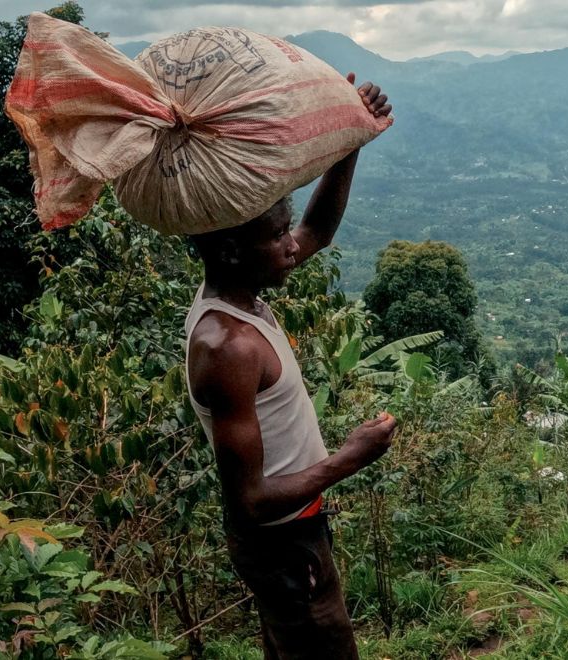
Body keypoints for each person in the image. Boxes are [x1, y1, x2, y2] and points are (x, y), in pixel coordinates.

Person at [183, 74, 394, 659]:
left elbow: (316, 231)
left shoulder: (239, 296)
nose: (289, 245)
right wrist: (351, 457)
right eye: (275, 236)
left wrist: (351, 140)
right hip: (280, 541)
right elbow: (249, 501)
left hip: (293, 534)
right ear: (230, 249)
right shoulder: (228, 346)